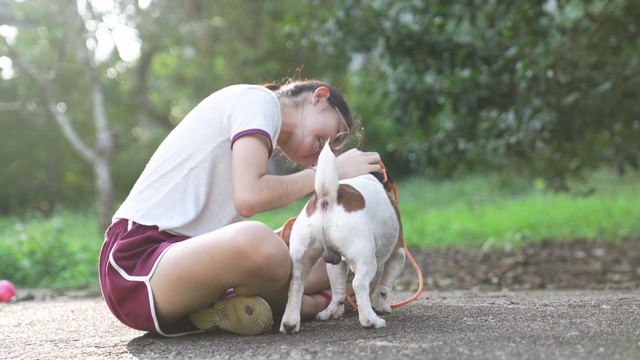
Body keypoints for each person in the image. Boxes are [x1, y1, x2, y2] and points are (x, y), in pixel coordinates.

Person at [98, 79, 382, 336]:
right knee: (261, 244)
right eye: (338, 134)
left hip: (190, 264)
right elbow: (249, 197)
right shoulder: (258, 100)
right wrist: (328, 173)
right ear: (319, 97)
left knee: (332, 255)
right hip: (137, 262)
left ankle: (228, 308)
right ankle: (306, 305)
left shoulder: (261, 128)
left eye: (339, 146)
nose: (331, 149)